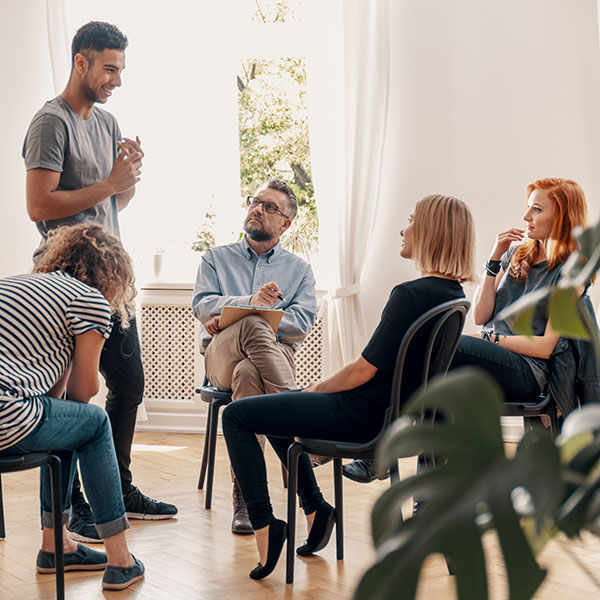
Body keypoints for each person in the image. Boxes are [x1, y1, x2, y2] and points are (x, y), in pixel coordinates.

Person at [221, 194, 476, 579]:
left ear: (431, 232)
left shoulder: (410, 295)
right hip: (394, 419)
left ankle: (265, 525)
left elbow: (362, 371)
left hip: (362, 417)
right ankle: (317, 507)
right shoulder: (453, 296)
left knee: (237, 415)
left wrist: (315, 390)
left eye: (410, 219)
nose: (403, 228)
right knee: (275, 411)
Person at [22, 21, 177, 543]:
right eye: (109, 68)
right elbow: (39, 206)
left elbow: (109, 204)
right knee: (74, 399)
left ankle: (120, 488)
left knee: (128, 386)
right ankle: (77, 509)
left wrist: (125, 180)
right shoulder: (51, 122)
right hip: (66, 280)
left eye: (121, 69)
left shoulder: (108, 121)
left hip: (111, 279)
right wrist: (109, 182)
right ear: (81, 62)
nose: (116, 79)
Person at [0, 224, 145, 590]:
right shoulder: (89, 300)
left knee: (71, 421)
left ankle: (57, 546)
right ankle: (120, 560)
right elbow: (83, 393)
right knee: (93, 422)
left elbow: (56, 402)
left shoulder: (12, 284)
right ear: (111, 272)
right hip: (6, 416)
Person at [192, 179, 317, 533]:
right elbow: (202, 305)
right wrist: (252, 306)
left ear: (285, 224)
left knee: (249, 374)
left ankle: (248, 500)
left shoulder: (299, 270)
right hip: (220, 356)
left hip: (270, 357)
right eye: (255, 202)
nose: (258, 209)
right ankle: (302, 427)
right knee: (251, 328)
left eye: (269, 207)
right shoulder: (215, 258)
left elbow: (301, 325)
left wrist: (240, 316)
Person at [450, 178, 589, 403]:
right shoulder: (516, 255)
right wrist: (494, 261)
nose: (526, 217)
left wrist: (490, 338)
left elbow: (546, 347)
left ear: (561, 217)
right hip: (490, 353)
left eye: (536, 209)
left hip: (526, 370)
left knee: (443, 345)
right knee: (431, 349)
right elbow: (480, 316)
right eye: (528, 208)